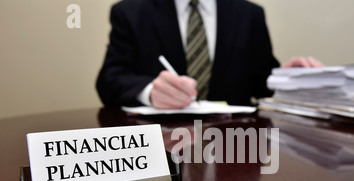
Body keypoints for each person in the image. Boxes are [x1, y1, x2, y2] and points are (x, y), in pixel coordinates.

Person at [96, 0, 323, 109]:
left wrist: (287, 79)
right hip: (161, 144)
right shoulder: (131, 12)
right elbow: (110, 79)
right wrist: (150, 91)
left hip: (236, 146)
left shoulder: (249, 14)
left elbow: (260, 81)